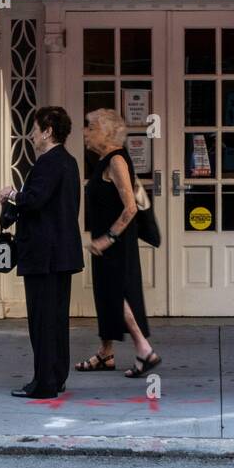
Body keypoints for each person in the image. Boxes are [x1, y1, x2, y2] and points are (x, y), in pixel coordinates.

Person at [0, 105, 83, 398]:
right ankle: (57, 376)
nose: (32, 135)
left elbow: (34, 201)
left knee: (42, 322)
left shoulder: (48, 163)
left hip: (44, 256)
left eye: (35, 129)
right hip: (62, 254)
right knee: (57, 320)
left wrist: (11, 195)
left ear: (48, 131)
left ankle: (44, 383)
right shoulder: (69, 162)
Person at [75, 107, 161, 379]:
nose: (85, 132)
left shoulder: (116, 161)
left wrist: (108, 239)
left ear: (106, 131)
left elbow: (130, 208)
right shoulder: (104, 160)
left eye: (90, 126)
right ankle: (105, 353)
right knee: (106, 294)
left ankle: (144, 350)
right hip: (106, 241)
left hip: (115, 244)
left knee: (117, 295)